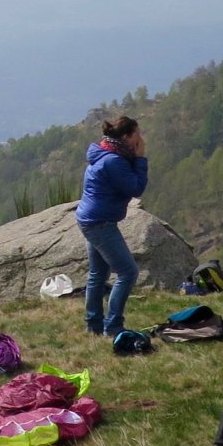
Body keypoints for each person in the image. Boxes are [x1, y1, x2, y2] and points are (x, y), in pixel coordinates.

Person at [76, 115, 149, 343]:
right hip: (100, 222)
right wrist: (140, 159)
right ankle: (113, 325)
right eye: (137, 134)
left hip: (90, 218)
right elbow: (136, 187)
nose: (140, 139)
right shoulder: (114, 161)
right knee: (128, 272)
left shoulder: (104, 154)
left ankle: (94, 325)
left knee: (98, 274)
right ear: (126, 137)